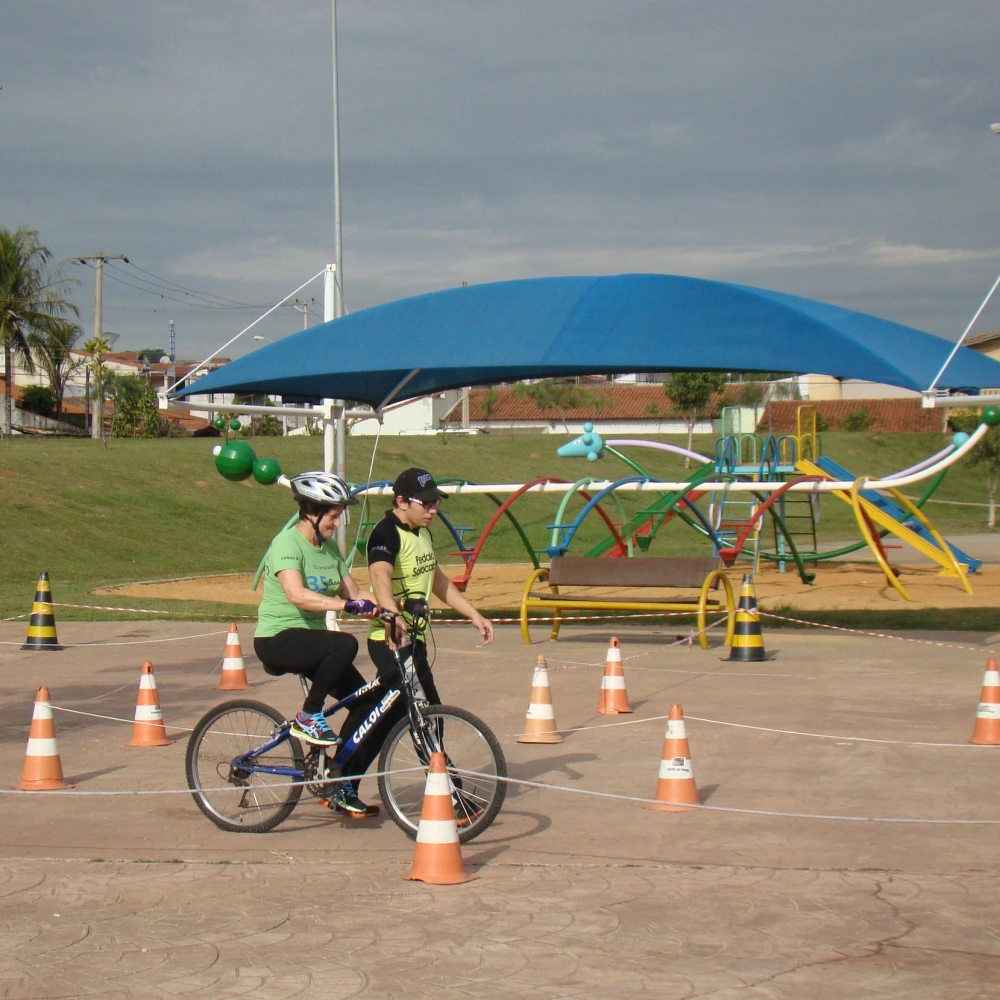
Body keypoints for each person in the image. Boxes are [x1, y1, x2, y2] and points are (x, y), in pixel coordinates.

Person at [338, 467, 495, 809]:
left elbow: (437, 580)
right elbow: (380, 576)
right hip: (390, 640)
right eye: (425, 503)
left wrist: (474, 614)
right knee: (425, 712)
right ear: (401, 502)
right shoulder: (385, 533)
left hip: (415, 641)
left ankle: (342, 780)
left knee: (392, 717)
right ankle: (448, 792)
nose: (433, 509)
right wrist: (392, 616)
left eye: (435, 502)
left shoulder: (423, 533)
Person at [252, 471, 381, 818]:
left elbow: (356, 594)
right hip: (277, 639)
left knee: (370, 703)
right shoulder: (286, 544)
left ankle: (338, 784)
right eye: (334, 514)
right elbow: (297, 595)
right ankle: (309, 715)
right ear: (311, 511)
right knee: (343, 644)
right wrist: (344, 607)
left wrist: (393, 611)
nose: (338, 522)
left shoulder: (329, 552)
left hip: (312, 644)